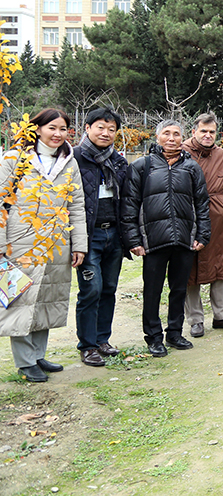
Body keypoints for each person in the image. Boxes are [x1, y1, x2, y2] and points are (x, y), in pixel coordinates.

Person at [0, 109, 86, 382]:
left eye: (63, 129)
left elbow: (77, 205)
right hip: (21, 242)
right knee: (22, 299)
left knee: (48, 298)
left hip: (57, 242)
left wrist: (79, 245)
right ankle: (25, 362)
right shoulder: (15, 159)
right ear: (37, 128)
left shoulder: (69, 163)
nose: (58, 134)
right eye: (52, 127)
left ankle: (38, 354)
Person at [122, 120, 211, 358]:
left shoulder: (191, 168)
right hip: (153, 240)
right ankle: (153, 337)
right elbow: (130, 204)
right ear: (157, 136)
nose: (171, 138)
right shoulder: (142, 166)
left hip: (184, 239)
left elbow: (202, 204)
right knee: (152, 290)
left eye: (176, 134)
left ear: (183, 138)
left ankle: (174, 332)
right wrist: (134, 239)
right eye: (166, 133)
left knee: (178, 289)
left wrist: (202, 234)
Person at [73, 107, 130, 368]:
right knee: (91, 289)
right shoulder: (74, 158)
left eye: (111, 129)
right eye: (100, 127)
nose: (106, 133)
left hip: (113, 234)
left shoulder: (118, 161)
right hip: (88, 234)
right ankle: (87, 345)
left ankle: (102, 339)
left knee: (108, 288)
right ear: (87, 128)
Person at [181, 112, 223, 337]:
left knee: (221, 266)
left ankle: (222, 315)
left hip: (218, 219)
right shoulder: (181, 153)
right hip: (188, 217)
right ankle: (195, 320)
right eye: (203, 131)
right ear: (194, 131)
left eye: (212, 132)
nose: (208, 135)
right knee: (190, 268)